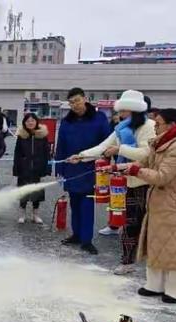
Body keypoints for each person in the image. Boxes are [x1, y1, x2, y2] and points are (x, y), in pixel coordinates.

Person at [72, 90, 156, 274]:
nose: (119, 114)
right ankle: (128, 261)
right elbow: (103, 147)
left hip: (143, 182)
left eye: (123, 110)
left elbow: (146, 154)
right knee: (128, 223)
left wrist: (120, 149)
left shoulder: (149, 126)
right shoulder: (121, 128)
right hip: (124, 179)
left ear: (133, 110)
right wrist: (81, 156)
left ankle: (141, 262)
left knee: (137, 224)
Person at [124, 109, 176, 303]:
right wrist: (117, 168)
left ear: (171, 125)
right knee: (156, 243)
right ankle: (155, 284)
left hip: (175, 204)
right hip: (159, 204)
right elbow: (142, 163)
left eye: (158, 124)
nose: (154, 127)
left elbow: (162, 177)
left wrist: (136, 170)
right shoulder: (160, 144)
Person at [55, 87, 111, 255]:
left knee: (87, 204)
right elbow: (61, 146)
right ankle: (77, 234)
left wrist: (104, 164)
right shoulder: (67, 121)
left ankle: (87, 240)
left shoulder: (98, 118)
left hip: (90, 168)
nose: (75, 105)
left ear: (85, 99)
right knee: (74, 202)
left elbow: (106, 143)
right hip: (71, 168)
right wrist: (60, 168)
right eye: (71, 102)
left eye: (77, 101)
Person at [13, 113, 51, 224]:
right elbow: (17, 153)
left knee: (37, 193)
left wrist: (47, 168)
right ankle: (22, 215)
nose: (30, 123)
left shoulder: (42, 136)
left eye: (32, 120)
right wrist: (16, 169)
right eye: (28, 121)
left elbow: (47, 153)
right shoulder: (21, 136)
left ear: (36, 122)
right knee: (23, 192)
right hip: (24, 168)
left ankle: (35, 215)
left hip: (37, 169)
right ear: (24, 123)